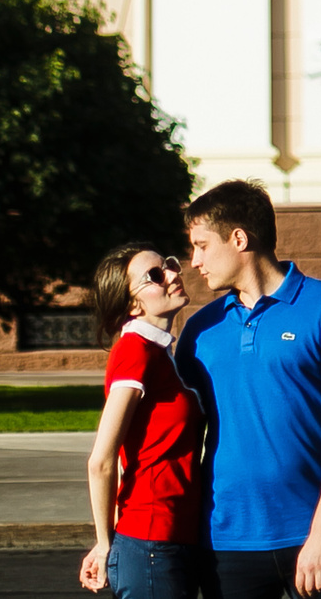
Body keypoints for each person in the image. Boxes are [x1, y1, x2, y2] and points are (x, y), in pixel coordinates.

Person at [177, 180, 321, 599]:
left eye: (201, 245)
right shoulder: (200, 330)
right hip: (225, 543)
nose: (193, 261)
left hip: (318, 534)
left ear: (239, 238)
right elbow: (176, 440)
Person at [80, 242, 206, 599]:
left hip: (172, 537)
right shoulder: (135, 350)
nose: (172, 274)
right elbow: (101, 461)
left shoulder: (160, 352)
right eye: (154, 275)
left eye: (167, 265)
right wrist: (105, 545)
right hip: (151, 541)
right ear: (133, 303)